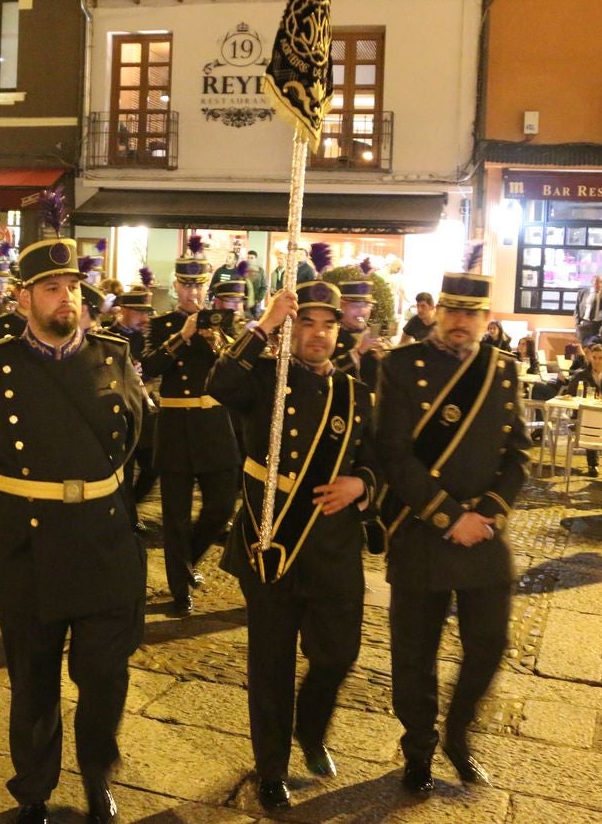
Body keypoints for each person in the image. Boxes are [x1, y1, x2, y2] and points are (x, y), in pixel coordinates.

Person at [0, 235, 145, 824]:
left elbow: (142, 450)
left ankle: (95, 775)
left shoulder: (114, 359)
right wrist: (10, 523)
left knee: (105, 677)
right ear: (23, 299)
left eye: (73, 289)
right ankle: (34, 787)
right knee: (33, 680)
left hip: (106, 545)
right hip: (28, 549)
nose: (67, 299)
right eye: (52, 289)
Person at [209, 282, 379, 811]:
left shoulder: (354, 395)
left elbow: (378, 456)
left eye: (328, 325)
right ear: (291, 328)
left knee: (338, 654)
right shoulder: (264, 378)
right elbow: (218, 383)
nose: (319, 334)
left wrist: (363, 485)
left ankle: (310, 727)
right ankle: (272, 767)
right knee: (271, 664)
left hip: (333, 544)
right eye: (306, 323)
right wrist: (261, 325)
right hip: (271, 539)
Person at [376, 272, 529, 794]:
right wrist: (448, 516)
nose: (461, 322)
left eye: (472, 313)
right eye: (452, 310)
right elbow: (393, 455)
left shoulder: (503, 372)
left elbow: (518, 457)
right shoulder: (400, 366)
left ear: (487, 320)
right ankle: (418, 746)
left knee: (488, 645)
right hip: (421, 532)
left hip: (483, 535)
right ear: (438, 311)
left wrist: (487, 513)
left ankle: (458, 733)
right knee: (413, 653)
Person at [142, 243, 241, 616]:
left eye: (199, 286)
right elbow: (149, 367)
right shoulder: (162, 324)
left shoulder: (225, 324)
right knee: (176, 517)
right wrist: (182, 336)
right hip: (176, 428)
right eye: (186, 286)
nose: (193, 293)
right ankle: (180, 588)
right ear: (176, 286)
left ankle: (189, 561)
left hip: (214, 426)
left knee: (220, 508)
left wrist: (220, 345)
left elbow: (236, 372)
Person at [109, 283, 159, 515]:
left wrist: (144, 371)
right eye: (138, 312)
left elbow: (156, 369)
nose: (144, 318)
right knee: (125, 473)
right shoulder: (107, 336)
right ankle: (130, 520)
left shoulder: (147, 339)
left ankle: (132, 507)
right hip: (120, 412)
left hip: (145, 412)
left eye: (147, 312)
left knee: (152, 467)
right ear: (122, 310)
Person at [565, 343, 602, 478]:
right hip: (586, 416)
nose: (596, 361)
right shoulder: (581, 375)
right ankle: (593, 464)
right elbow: (571, 392)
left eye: (600, 358)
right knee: (591, 422)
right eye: (594, 357)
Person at [574, 275, 602, 344]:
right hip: (585, 323)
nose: (599, 284)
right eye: (597, 282)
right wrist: (577, 323)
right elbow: (577, 309)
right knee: (583, 346)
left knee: (595, 347)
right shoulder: (583, 293)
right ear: (592, 282)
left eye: (601, 282)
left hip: (599, 324)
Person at [245, 251, 268, 317]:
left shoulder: (260, 271)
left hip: (256, 301)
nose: (249, 260)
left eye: (251, 258)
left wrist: (258, 299)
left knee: (255, 320)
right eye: (248, 258)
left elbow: (264, 286)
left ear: (255, 259)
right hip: (245, 301)